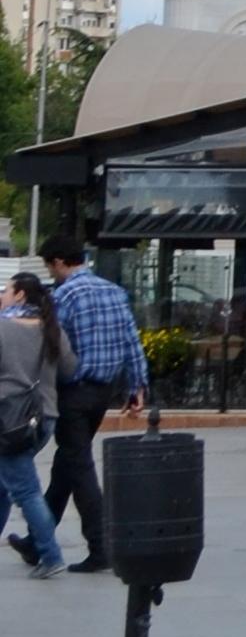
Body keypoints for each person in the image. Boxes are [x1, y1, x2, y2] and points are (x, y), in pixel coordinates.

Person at [38, 230, 146, 578]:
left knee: (79, 467)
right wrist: (137, 387)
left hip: (73, 391)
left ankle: (101, 546)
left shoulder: (63, 295)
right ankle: (38, 536)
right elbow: (132, 341)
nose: (51, 273)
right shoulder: (114, 291)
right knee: (67, 462)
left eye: (49, 266)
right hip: (103, 392)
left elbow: (54, 348)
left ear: (58, 262)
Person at [0, 275, 69, 580]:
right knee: (6, 483)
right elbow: (70, 368)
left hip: (8, 419)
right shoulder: (50, 327)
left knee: (25, 490)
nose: (2, 295)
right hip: (44, 417)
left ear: (19, 295)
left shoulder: (3, 328)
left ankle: (51, 555)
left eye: (6, 290)